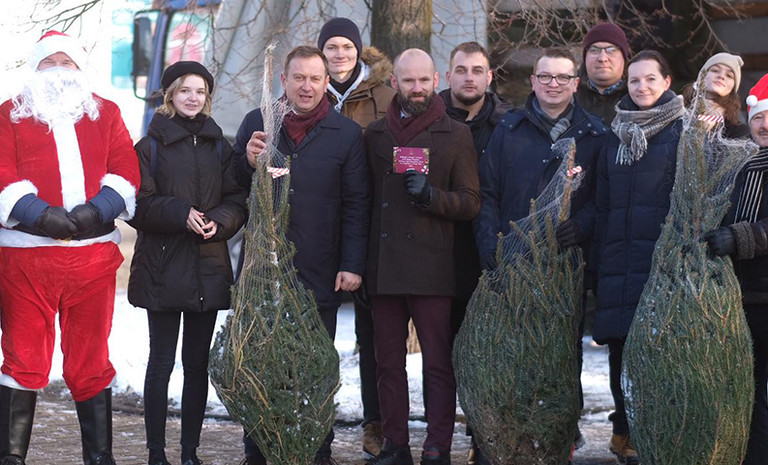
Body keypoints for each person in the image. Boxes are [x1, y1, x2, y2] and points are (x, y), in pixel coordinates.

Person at [0, 31, 141, 465]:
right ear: (34, 68)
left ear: (80, 68)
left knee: (91, 358)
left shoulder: (107, 113)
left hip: (92, 259)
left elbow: (125, 169)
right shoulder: (8, 114)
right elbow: (1, 171)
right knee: (23, 356)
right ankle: (11, 457)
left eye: (67, 62)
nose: (58, 69)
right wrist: (39, 214)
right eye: (49, 61)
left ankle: (99, 458)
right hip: (26, 259)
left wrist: (97, 210)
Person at [233, 45, 369, 465]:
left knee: (315, 367)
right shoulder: (258, 123)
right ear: (284, 81)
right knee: (259, 364)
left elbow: (357, 203)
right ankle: (258, 450)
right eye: (298, 78)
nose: (306, 87)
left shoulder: (346, 134)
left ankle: (317, 450)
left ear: (327, 83)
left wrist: (351, 264)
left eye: (314, 78)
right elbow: (233, 186)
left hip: (318, 268)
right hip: (263, 270)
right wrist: (246, 162)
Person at [473, 48, 605, 464]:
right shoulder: (508, 129)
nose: (553, 84)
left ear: (575, 84)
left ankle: (557, 441)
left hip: (565, 267)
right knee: (511, 354)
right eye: (545, 76)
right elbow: (487, 193)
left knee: (562, 356)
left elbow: (605, 196)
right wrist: (492, 245)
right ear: (532, 81)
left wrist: (581, 226)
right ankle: (508, 440)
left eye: (562, 77)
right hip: (513, 265)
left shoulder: (594, 134)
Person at [127, 61, 247, 465]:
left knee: (197, 366)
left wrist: (221, 221)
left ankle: (190, 452)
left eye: (200, 91)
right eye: (185, 90)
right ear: (170, 95)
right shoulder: (149, 147)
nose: (193, 98)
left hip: (207, 267)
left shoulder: (220, 146)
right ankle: (156, 453)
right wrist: (181, 214)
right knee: (161, 362)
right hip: (162, 269)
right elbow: (137, 206)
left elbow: (236, 200)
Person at [364, 48, 480, 465]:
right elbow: (363, 203)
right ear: (394, 82)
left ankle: (437, 447)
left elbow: (471, 202)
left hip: (433, 266)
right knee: (388, 364)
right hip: (385, 267)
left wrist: (432, 197)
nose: (417, 88)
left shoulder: (456, 134)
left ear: (437, 81)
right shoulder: (375, 134)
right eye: (408, 80)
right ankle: (395, 445)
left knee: (437, 363)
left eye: (424, 80)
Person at [593, 50, 686, 465]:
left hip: (662, 264)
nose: (642, 87)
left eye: (650, 79)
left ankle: (659, 434)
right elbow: (602, 204)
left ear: (666, 82)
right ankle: (625, 432)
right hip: (618, 261)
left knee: (661, 357)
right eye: (634, 80)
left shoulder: (684, 132)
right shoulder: (613, 135)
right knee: (620, 354)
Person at [317, 17, 396, 460]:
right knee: (317, 329)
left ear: (358, 50)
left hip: (371, 224)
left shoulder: (385, 95)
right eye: (331, 47)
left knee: (373, 335)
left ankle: (376, 422)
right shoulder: (308, 90)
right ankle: (314, 418)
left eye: (347, 46)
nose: (340, 54)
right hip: (320, 224)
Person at [439, 40, 514, 465]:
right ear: (448, 75)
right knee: (441, 357)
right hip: (436, 255)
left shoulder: (509, 124)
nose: (469, 78)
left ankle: (483, 437)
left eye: (477, 70)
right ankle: (439, 439)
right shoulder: (428, 119)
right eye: (462, 70)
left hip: (489, 256)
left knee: (487, 353)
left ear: (490, 76)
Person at [704, 73, 768, 465]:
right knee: (749, 395)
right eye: (758, 117)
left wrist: (739, 237)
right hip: (741, 300)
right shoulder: (740, 165)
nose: (765, 125)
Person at [682, 52, 749, 138]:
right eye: (715, 70)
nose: (721, 76)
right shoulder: (679, 114)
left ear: (733, 87)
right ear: (702, 76)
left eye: (729, 76)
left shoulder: (739, 132)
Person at [575, 23, 630, 124]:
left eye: (611, 50)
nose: (602, 58)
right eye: (594, 50)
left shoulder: (638, 96)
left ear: (624, 58)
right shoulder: (568, 94)